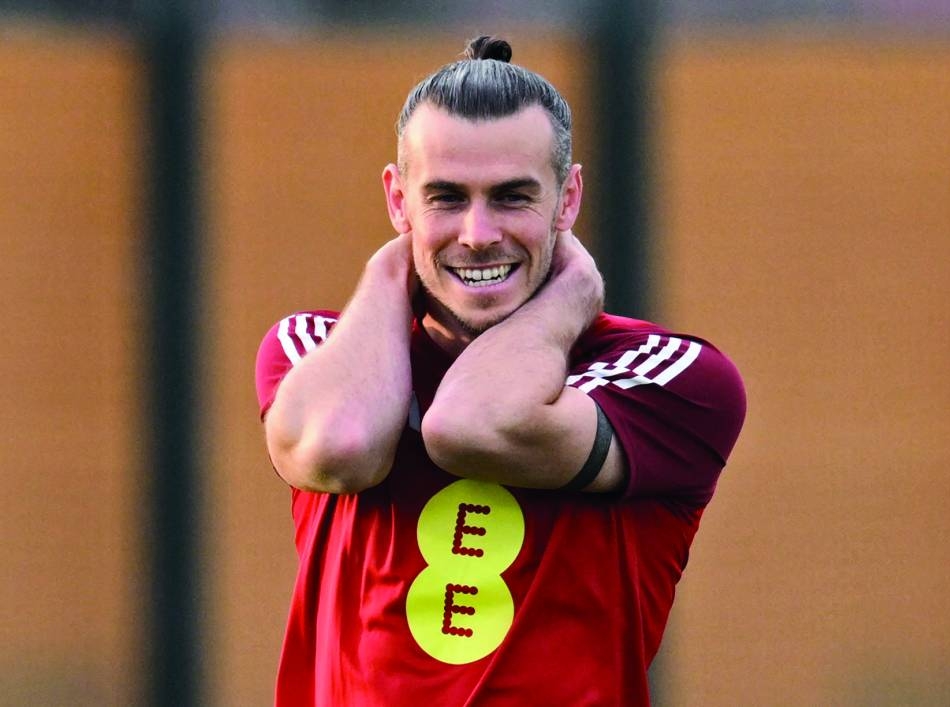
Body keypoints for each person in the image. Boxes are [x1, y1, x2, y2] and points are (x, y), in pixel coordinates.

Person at [255, 35, 746, 706]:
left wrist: (571, 299)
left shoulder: (670, 376)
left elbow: (473, 423)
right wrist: (389, 267)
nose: (478, 232)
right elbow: (340, 446)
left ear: (568, 200)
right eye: (446, 198)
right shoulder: (315, 346)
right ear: (398, 201)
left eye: (513, 197)